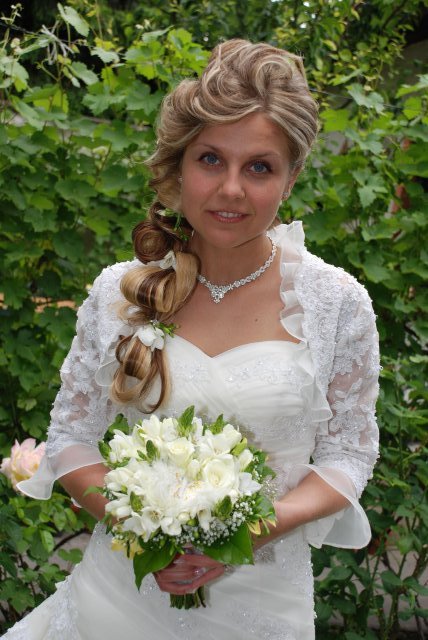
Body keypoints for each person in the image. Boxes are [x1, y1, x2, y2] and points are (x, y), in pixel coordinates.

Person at [4, 39, 379, 640]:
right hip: (116, 603)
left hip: (264, 607)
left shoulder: (336, 305)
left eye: (259, 167)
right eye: (210, 159)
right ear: (179, 167)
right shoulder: (120, 293)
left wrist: (248, 532)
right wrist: (145, 531)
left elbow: (348, 455)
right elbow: (71, 438)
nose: (231, 189)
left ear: (290, 180)